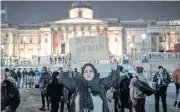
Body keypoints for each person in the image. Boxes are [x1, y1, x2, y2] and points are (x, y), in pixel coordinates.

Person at [58, 53, 123, 112]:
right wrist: (66, 63)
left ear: (94, 72)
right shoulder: (77, 84)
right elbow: (63, 78)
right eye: (85, 72)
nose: (88, 74)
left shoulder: (101, 84)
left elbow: (115, 76)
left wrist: (113, 62)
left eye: (91, 71)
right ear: (82, 74)